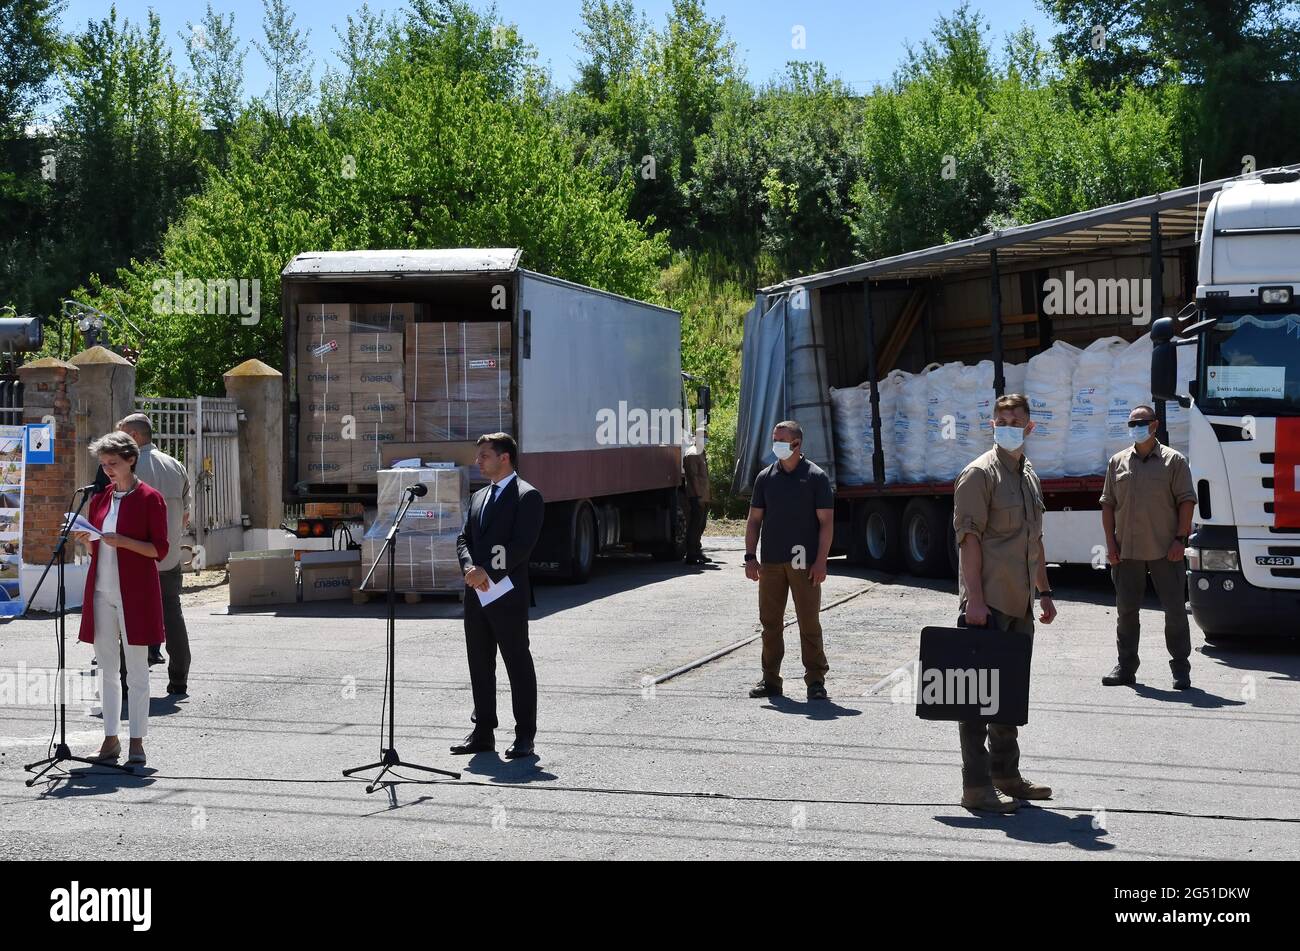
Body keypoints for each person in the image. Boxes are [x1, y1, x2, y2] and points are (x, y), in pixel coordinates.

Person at [951, 394, 1057, 813]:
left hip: (1021, 603)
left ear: (1030, 427)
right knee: (976, 700)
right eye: (1001, 419)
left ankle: (1006, 775)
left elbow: (1035, 540)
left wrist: (1044, 592)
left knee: (1008, 696)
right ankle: (975, 787)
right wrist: (974, 600)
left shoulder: (1028, 474)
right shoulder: (979, 474)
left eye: (1015, 419)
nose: (1007, 424)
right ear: (992, 424)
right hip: (989, 603)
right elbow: (968, 541)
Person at [74, 432, 169, 766]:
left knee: (137, 672)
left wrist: (124, 542)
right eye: (103, 464)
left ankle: (138, 742)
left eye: (113, 463)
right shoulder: (100, 499)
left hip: (135, 595)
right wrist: (88, 539)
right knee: (106, 671)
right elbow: (98, 546)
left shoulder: (150, 498)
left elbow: (159, 549)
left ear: (131, 459)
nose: (108, 470)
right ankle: (110, 739)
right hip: (101, 592)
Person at [453, 433, 545, 759]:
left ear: (504, 457)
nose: (478, 461)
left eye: (484, 456)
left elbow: (521, 545)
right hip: (477, 595)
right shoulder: (478, 497)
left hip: (507, 595)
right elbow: (463, 538)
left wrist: (486, 572)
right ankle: (482, 732)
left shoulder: (527, 496)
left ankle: (525, 736)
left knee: (517, 663)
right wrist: (469, 569)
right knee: (479, 663)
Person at [1099, 404, 1197, 689]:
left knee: (1175, 610)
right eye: (1132, 423)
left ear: (1154, 425)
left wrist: (1180, 539)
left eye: (1141, 422)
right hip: (1126, 551)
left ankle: (1181, 668)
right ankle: (1126, 667)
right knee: (1126, 612)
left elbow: (1186, 501)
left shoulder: (1174, 461)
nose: (1136, 427)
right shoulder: (1117, 462)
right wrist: (1110, 544)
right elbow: (1107, 505)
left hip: (1165, 550)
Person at [744, 420, 833, 701]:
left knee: (808, 622)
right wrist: (750, 557)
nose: (776, 446)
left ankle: (815, 681)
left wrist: (821, 561)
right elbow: (754, 520)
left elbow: (827, 523)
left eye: (781, 440)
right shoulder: (765, 478)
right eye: (775, 439)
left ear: (797, 444)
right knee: (770, 623)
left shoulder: (816, 477)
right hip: (771, 562)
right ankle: (770, 680)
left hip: (803, 562)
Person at [118, 413, 193, 694]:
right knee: (172, 614)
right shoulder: (175, 465)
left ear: (135, 437)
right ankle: (179, 677)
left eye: (123, 434)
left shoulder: (128, 468)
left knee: (129, 618)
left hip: (134, 557)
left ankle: (127, 680)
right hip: (168, 556)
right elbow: (186, 513)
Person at [683, 427, 710, 565]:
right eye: (702, 436)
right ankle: (691, 554)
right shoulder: (692, 454)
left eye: (706, 436)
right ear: (695, 437)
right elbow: (692, 477)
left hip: (703, 496)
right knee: (694, 525)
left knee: (701, 525)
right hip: (696, 496)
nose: (705, 439)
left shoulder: (701, 452)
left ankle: (697, 551)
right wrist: (698, 496)